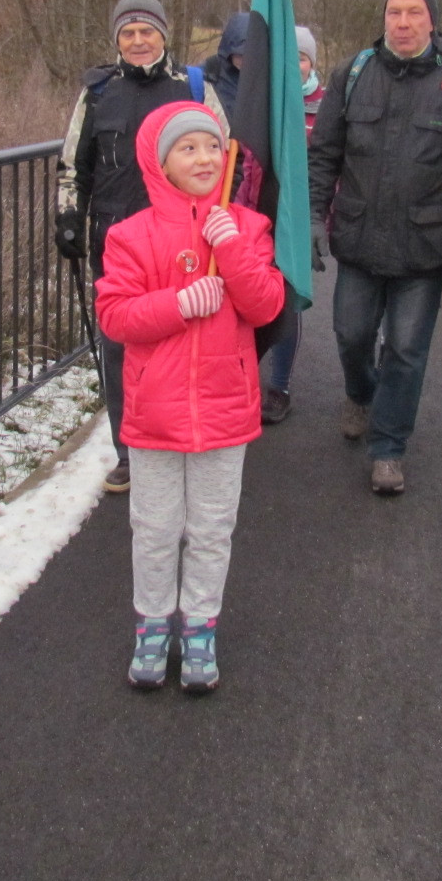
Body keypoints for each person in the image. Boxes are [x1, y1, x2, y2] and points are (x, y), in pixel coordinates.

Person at [94, 102, 284, 693]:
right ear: (161, 162)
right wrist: (176, 304)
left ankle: (200, 626)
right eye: (188, 148)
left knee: (211, 528)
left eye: (212, 146)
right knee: (154, 528)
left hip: (225, 410)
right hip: (155, 413)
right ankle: (152, 624)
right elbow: (115, 315)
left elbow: (266, 306)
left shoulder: (247, 226)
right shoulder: (131, 235)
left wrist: (232, 249)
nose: (205, 158)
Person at [307, 0, 442, 495]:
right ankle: (361, 394)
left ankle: (388, 448)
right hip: (359, 238)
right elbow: (324, 155)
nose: (403, 22)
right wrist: (316, 216)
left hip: (423, 244)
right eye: (394, 12)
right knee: (351, 335)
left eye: (414, 13)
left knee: (407, 349)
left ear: (432, 20)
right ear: (384, 17)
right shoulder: (353, 74)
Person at [55, 0, 229, 493]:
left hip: (183, 241)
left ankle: (184, 438)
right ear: (117, 39)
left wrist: (219, 222)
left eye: (146, 31)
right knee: (119, 347)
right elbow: (73, 165)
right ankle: (128, 451)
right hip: (115, 240)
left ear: (163, 34)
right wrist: (68, 217)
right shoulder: (98, 93)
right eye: (128, 33)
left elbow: (226, 160)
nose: (137, 41)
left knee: (183, 341)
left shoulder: (193, 88)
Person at [258, 25, 324, 423]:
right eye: (287, 57)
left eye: (300, 58)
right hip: (263, 211)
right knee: (255, 297)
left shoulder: (326, 104)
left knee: (287, 298)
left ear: (311, 63)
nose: (293, 65)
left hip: (300, 216)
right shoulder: (263, 101)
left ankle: (279, 386)